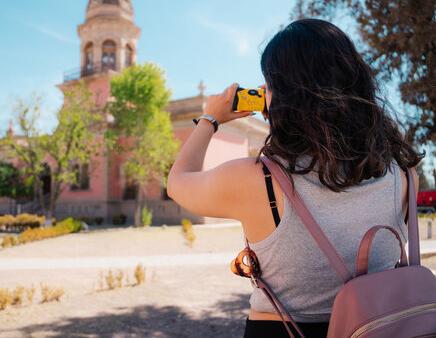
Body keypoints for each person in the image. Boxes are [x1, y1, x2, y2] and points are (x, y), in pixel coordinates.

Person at [167, 18, 423, 338]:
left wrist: (209, 118)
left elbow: (178, 182)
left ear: (283, 97)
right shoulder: (403, 174)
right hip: (379, 327)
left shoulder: (257, 178)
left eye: (269, 86)